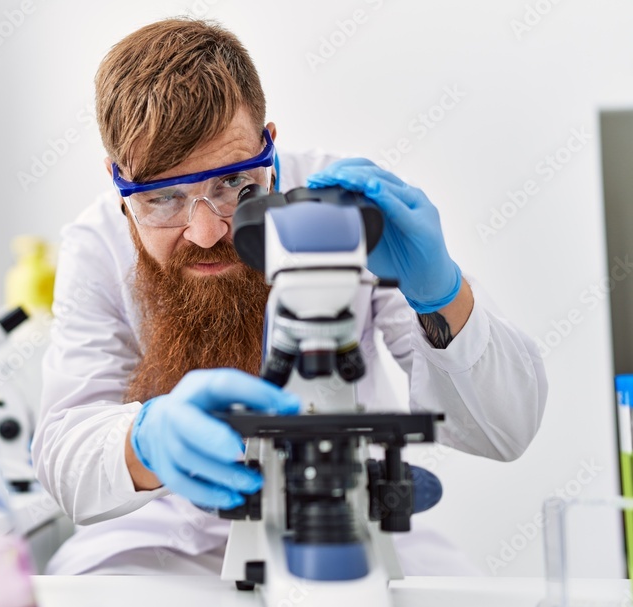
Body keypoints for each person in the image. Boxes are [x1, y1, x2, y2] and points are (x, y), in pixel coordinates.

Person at [31, 17, 547, 576]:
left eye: (233, 184)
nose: (205, 232)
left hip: (344, 504)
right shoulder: (98, 245)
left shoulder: (339, 210)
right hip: (166, 529)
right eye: (162, 198)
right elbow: (64, 453)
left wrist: (440, 293)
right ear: (118, 180)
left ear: (268, 144)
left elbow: (506, 429)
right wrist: (145, 441)